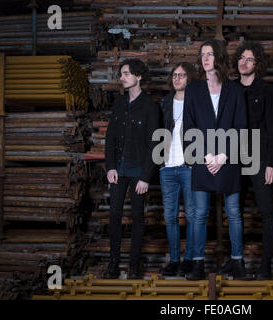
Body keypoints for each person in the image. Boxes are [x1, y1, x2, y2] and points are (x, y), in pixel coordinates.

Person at [183, 39, 248, 280]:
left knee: (233, 213)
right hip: (202, 158)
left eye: (210, 54)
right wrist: (206, 156)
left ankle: (237, 261)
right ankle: (198, 264)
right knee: (199, 213)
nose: (205, 58)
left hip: (228, 159)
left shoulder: (235, 89)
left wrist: (223, 156)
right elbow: (189, 128)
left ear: (218, 57)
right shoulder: (193, 89)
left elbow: (241, 127)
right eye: (202, 54)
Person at [103, 58, 160, 279]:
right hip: (118, 171)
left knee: (137, 217)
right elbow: (109, 140)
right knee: (114, 216)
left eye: (126, 73)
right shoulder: (118, 105)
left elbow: (155, 144)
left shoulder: (150, 107)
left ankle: (134, 265)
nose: (122, 77)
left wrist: (146, 176)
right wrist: (110, 167)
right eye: (121, 74)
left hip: (139, 173)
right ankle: (113, 263)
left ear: (138, 77)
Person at [233, 42, 273, 280]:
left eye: (249, 59)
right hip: (233, 158)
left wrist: (271, 162)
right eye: (241, 58)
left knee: (266, 211)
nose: (244, 62)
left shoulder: (267, 90)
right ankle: (236, 262)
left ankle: (265, 266)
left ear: (258, 64)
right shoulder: (230, 89)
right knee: (234, 212)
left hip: (260, 158)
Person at [159, 62, 197, 276]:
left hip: (189, 167)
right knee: (170, 216)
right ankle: (174, 259)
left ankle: (189, 259)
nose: (177, 78)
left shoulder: (196, 101)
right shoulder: (165, 102)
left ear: (189, 78)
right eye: (174, 75)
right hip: (167, 168)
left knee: (191, 215)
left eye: (182, 75)